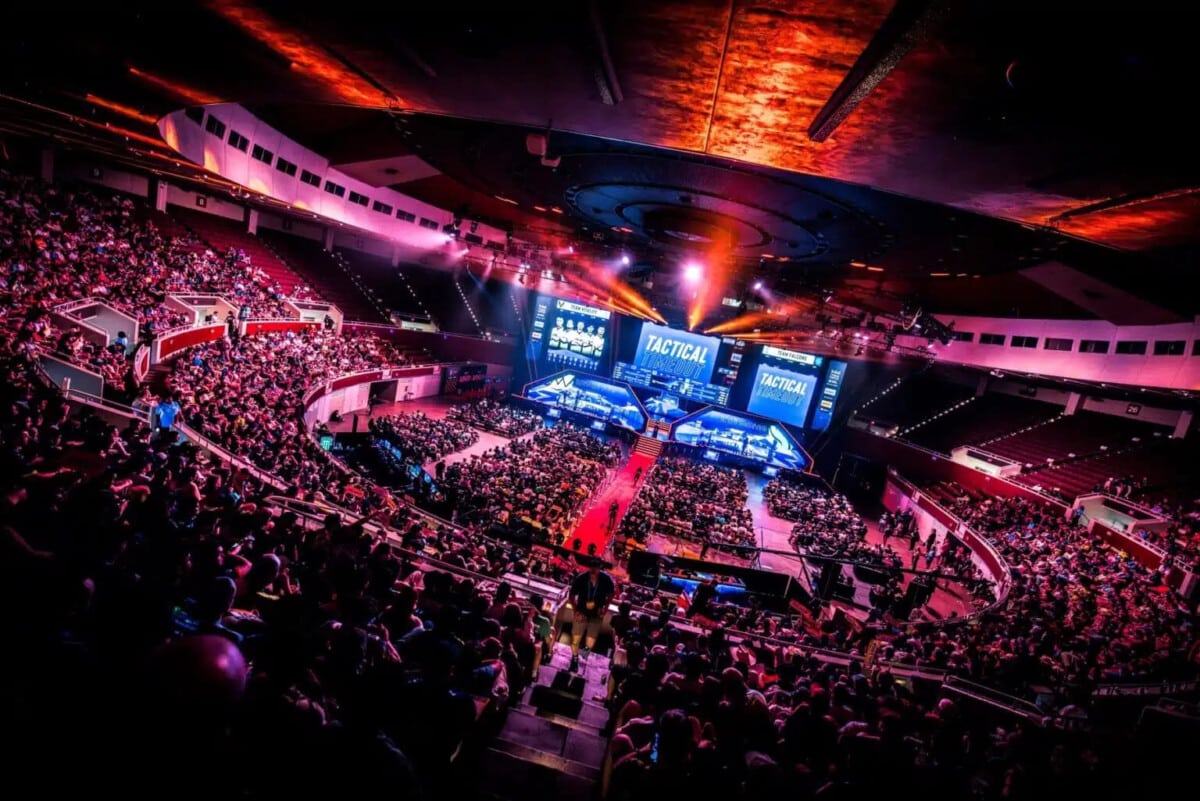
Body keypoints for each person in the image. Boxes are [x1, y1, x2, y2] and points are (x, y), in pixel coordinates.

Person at [568, 557, 615, 672]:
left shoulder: (606, 579)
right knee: (575, 639)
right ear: (589, 567)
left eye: (596, 567)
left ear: (600, 567)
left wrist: (605, 608)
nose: (593, 569)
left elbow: (611, 594)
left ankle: (584, 654)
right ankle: (574, 659)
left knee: (590, 641)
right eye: (592, 566)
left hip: (596, 614)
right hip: (582, 612)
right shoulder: (582, 578)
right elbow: (571, 595)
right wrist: (576, 611)